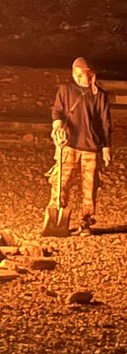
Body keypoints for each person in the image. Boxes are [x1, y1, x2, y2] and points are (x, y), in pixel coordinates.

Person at [50, 57, 113, 231]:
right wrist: (58, 126)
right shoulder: (66, 90)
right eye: (75, 74)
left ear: (91, 75)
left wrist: (106, 148)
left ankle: (86, 220)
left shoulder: (99, 95)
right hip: (68, 145)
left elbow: (105, 122)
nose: (78, 78)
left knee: (89, 186)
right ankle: (57, 214)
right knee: (61, 183)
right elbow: (57, 112)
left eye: (82, 74)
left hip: (91, 148)